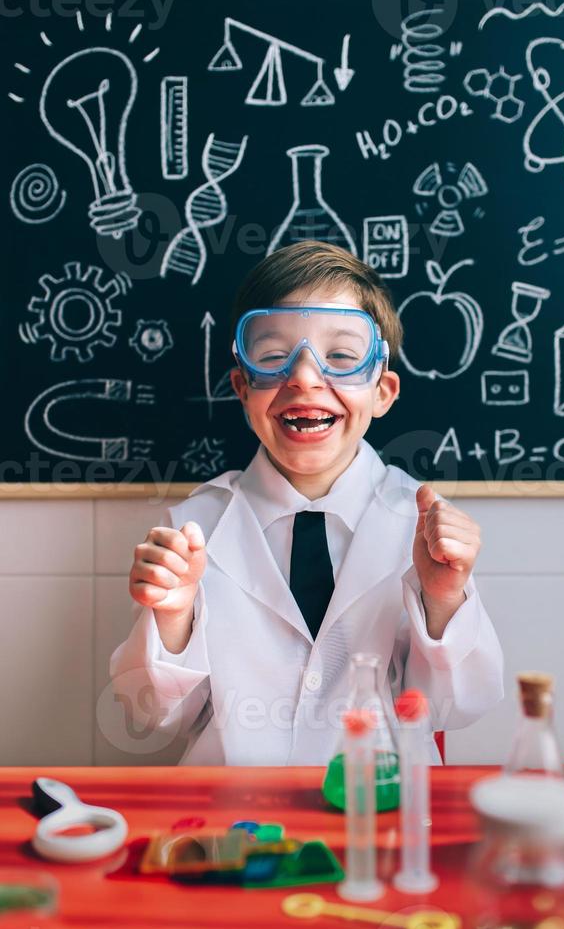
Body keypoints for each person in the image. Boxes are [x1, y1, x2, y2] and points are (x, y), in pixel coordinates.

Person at [110, 241, 503, 765]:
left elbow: (456, 706)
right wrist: (174, 617)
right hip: (233, 824)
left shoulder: (422, 523)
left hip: (377, 811)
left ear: (383, 391)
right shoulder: (193, 525)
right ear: (241, 387)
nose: (304, 377)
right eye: (273, 357)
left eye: (341, 356)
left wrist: (445, 600)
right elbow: (158, 717)